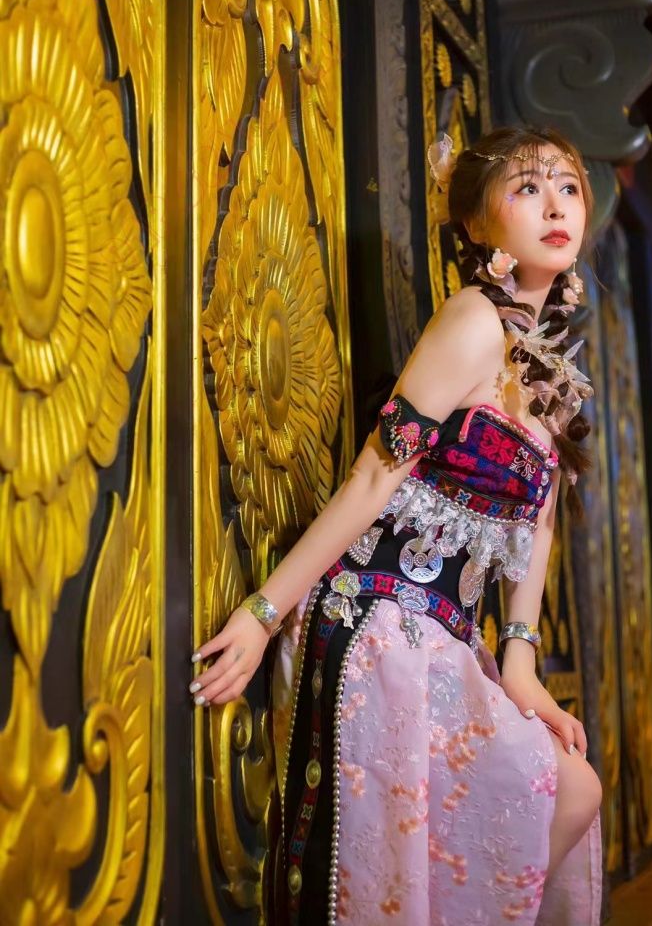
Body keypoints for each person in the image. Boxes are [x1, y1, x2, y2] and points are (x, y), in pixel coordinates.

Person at [190, 125, 604, 924]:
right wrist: (263, 613)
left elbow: (540, 526)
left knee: (573, 788)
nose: (554, 205)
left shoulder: (552, 367)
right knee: (566, 790)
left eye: (566, 187)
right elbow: (375, 475)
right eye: (526, 188)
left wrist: (520, 665)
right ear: (479, 225)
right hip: (377, 619)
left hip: (448, 636)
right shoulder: (473, 321)